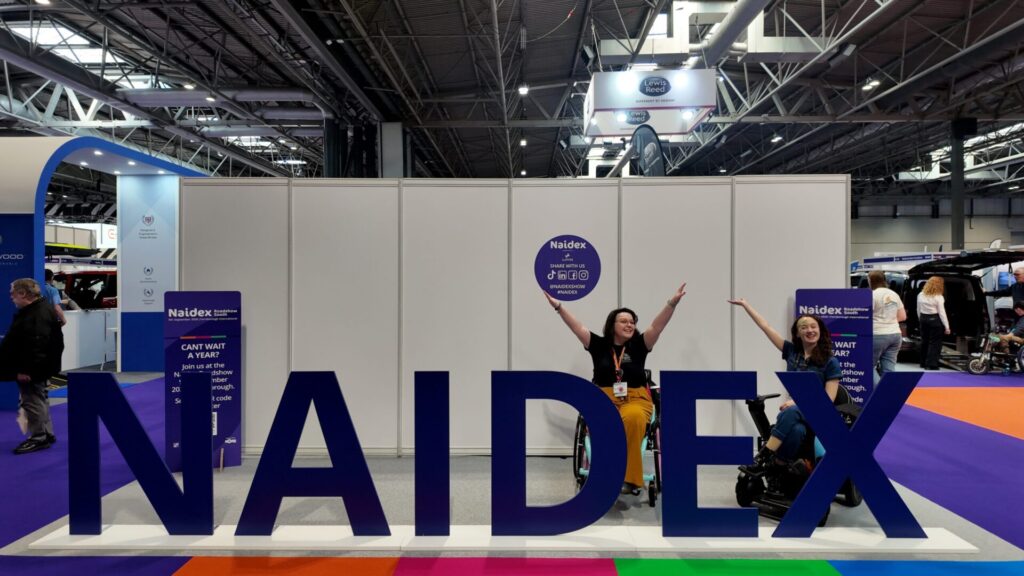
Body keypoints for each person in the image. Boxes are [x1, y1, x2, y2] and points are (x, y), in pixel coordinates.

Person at [545, 283, 686, 494]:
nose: (629, 324)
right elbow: (577, 327)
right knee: (605, 422)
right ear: (612, 325)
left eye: (632, 321)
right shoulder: (599, 345)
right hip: (604, 397)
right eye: (624, 321)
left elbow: (657, 326)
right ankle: (607, 470)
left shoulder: (640, 344)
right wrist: (559, 307)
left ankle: (629, 480)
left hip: (636, 398)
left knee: (634, 418)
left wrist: (672, 303)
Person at [728, 299, 841, 470]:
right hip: (798, 415)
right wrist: (746, 305)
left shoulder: (830, 361)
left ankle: (762, 458)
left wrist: (796, 403)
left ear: (820, 331)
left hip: (819, 413)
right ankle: (780, 465)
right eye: (804, 327)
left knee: (790, 412)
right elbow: (765, 326)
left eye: (813, 326)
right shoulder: (791, 352)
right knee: (796, 431)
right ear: (797, 333)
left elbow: (827, 400)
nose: (809, 330)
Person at [0, 278, 63, 454]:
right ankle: (46, 434)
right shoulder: (40, 309)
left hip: (32, 368)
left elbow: (37, 345)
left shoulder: (36, 314)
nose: (10, 296)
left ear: (23, 293)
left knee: (32, 400)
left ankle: (38, 437)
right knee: (40, 398)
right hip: (39, 367)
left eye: (12, 292)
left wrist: (27, 370)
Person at [869, 270, 906, 381]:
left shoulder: (872, 295)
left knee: (868, 367)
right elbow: (903, 316)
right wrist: (889, 321)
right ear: (884, 280)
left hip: (877, 334)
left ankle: (877, 393)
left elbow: (866, 316)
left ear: (870, 281)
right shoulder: (894, 294)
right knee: (889, 369)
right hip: (895, 334)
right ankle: (888, 395)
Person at [917, 276, 950, 370]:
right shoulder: (939, 297)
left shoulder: (920, 294)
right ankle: (931, 364)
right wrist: (947, 327)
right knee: (935, 343)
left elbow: (918, 309)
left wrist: (920, 319)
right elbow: (942, 313)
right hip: (934, 319)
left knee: (924, 341)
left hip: (923, 318)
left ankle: (922, 362)